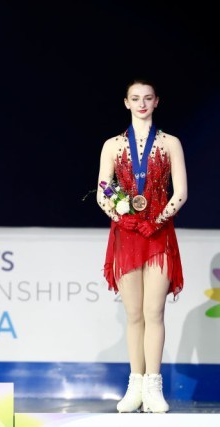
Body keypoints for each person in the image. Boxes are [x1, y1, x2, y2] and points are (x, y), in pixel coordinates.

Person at [96, 78, 187, 413]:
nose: (142, 104)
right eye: (135, 98)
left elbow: (181, 192)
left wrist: (159, 219)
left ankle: (153, 386)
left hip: (159, 234)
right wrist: (121, 215)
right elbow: (104, 189)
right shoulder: (112, 146)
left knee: (154, 311)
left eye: (148, 98)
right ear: (126, 102)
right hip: (128, 234)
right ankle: (135, 385)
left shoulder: (170, 143)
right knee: (134, 314)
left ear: (156, 101)